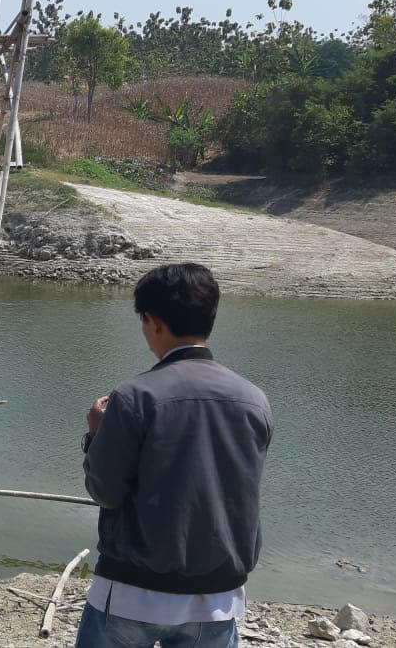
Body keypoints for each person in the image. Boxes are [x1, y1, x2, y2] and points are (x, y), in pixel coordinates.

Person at [75, 263, 272, 648]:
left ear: (154, 322)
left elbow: (105, 491)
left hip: (132, 592)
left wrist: (97, 433)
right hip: (216, 599)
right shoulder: (254, 400)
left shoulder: (135, 397)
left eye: (143, 321)